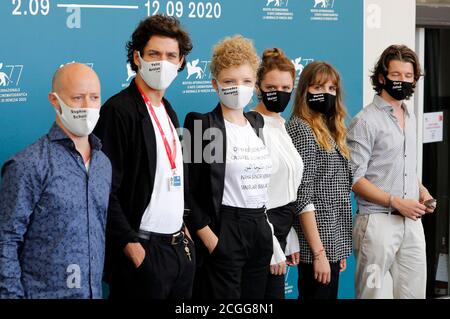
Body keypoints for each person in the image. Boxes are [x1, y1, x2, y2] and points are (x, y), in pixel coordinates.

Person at [93, 14, 195, 299]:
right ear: (137, 57)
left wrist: (183, 230)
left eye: (171, 55)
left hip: (178, 251)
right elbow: (103, 189)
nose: (163, 62)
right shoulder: (119, 111)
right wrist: (131, 246)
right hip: (143, 253)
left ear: (181, 62)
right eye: (154, 54)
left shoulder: (168, 109)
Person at [0, 63, 111, 299]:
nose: (87, 107)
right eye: (77, 98)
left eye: (94, 98)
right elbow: (6, 241)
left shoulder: (104, 164)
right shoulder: (28, 164)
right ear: (54, 100)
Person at [183, 35, 273, 299]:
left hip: (259, 229)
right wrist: (211, 239)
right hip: (224, 230)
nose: (238, 88)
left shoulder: (257, 123)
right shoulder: (203, 126)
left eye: (245, 81)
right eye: (229, 82)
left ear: (255, 85)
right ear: (215, 84)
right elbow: (187, 192)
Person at [347, 45, 435, 299]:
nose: (403, 81)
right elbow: (355, 179)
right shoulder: (365, 121)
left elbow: (404, 164)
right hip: (377, 222)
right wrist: (396, 202)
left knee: (414, 295)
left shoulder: (411, 116)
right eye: (396, 75)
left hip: (412, 222)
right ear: (382, 77)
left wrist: (421, 190)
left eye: (408, 76)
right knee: (371, 295)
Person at [286, 61, 352, 300]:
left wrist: (337, 247)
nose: (326, 94)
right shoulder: (302, 129)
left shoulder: (328, 128)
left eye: (332, 89)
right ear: (305, 91)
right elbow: (303, 196)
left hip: (330, 242)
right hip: (316, 246)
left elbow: (335, 189)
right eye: (318, 87)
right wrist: (319, 253)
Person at [253, 48, 302, 299]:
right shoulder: (252, 124)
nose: (279, 93)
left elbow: (286, 185)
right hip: (260, 232)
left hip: (281, 228)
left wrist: (289, 236)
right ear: (257, 87)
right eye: (272, 87)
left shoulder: (282, 124)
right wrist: (272, 245)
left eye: (286, 88)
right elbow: (252, 193)